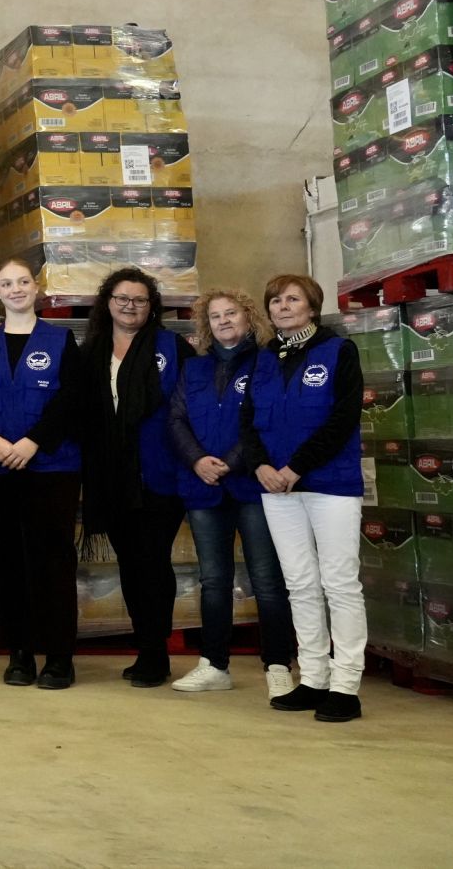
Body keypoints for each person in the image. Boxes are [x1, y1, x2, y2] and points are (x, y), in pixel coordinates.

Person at [240, 273, 366, 723]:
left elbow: (342, 419)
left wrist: (296, 467)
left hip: (329, 484)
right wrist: (260, 467)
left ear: (312, 307)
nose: (282, 306)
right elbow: (249, 422)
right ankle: (312, 678)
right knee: (300, 585)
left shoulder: (338, 351)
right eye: (275, 300)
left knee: (339, 584)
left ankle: (345, 685)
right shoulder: (263, 358)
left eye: (292, 299)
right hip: (275, 487)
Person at [0, 257, 84, 690]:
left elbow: (71, 401)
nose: (15, 289)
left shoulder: (61, 340)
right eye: (6, 283)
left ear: (36, 287)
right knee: (7, 560)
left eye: (23, 281)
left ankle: (60, 657)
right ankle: (20, 652)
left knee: (53, 560)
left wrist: (32, 442)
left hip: (51, 468)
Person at [168, 289, 295, 696]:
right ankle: (214, 665)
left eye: (231, 313)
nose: (223, 320)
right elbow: (176, 419)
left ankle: (278, 665)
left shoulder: (266, 362)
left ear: (248, 318)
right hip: (203, 487)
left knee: (267, 580)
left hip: (252, 485)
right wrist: (197, 461)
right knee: (214, 580)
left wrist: (230, 461)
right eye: (215, 316)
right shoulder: (195, 368)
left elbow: (266, 419)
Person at [80, 268, 194, 688]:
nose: (130, 306)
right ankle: (146, 645)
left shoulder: (172, 347)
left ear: (152, 306)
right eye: (122, 298)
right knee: (130, 563)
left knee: (152, 562)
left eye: (140, 300)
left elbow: (191, 407)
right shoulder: (92, 350)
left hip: (158, 475)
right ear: (107, 302)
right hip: (111, 477)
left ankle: (155, 651)